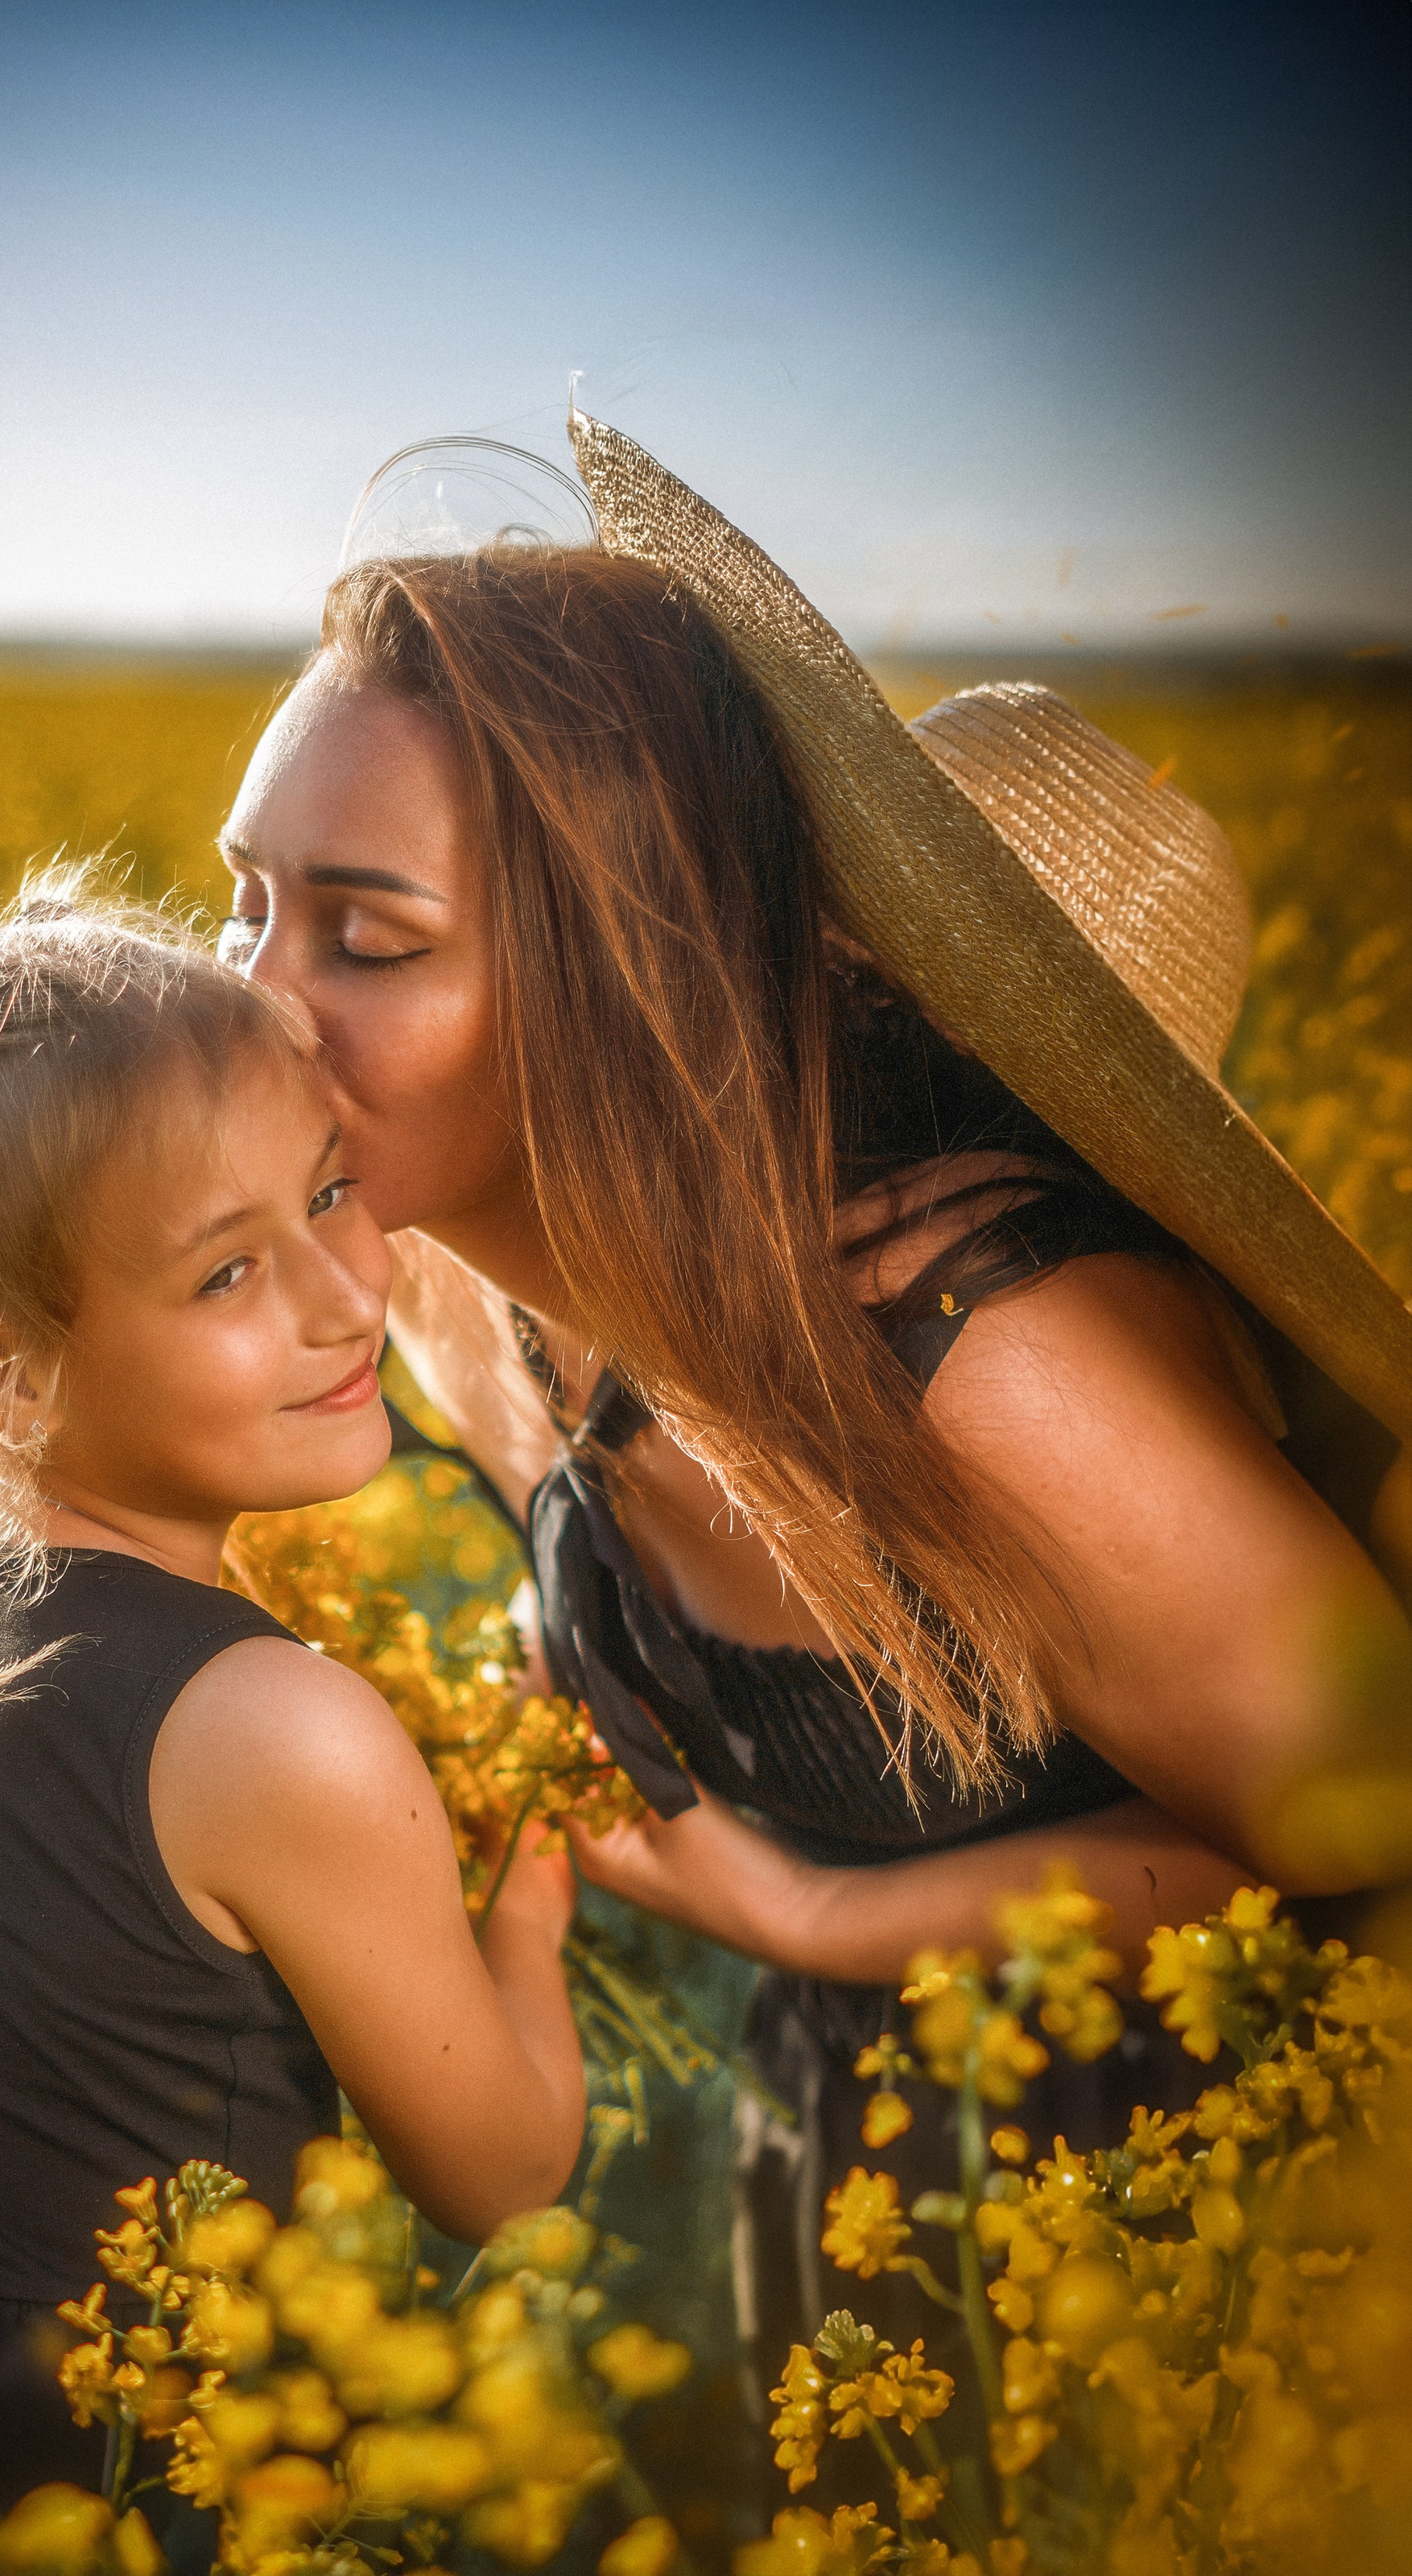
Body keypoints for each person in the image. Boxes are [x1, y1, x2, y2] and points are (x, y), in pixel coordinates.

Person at [213, 416, 1412, 2386]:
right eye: (245, 898)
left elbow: (1371, 1815)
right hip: (851, 2197)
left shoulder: (984, 1359)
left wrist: (804, 1915)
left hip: (1207, 2252)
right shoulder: (440, 1267)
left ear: (626, 978)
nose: (256, 992)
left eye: (369, 934)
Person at [0, 890, 584, 2526]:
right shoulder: (278, 1727)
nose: (343, 1295)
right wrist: (545, 1859)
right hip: (163, 2492)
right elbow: (498, 2173)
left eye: (332, 1193)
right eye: (227, 1271)